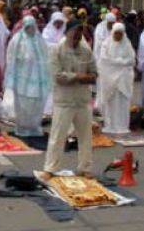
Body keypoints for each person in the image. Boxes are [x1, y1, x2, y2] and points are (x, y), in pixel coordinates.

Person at [35, 22, 97, 183]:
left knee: (85, 136)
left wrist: (79, 77)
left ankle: (85, 168)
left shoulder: (86, 51)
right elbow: (58, 77)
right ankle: (50, 168)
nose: (76, 38)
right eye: (74, 34)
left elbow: (94, 74)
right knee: (58, 136)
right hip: (64, 101)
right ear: (67, 33)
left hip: (82, 100)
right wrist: (78, 77)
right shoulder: (57, 50)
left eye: (79, 35)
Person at [4, 16, 51, 137]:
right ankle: (23, 127)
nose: (30, 30)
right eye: (28, 27)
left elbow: (46, 57)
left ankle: (34, 126)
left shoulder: (39, 40)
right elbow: (11, 58)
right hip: (22, 78)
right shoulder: (17, 40)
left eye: (32, 27)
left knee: (36, 103)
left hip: (38, 79)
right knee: (23, 104)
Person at [98, 23, 136, 134]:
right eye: (116, 33)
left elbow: (131, 60)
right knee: (111, 102)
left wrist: (117, 62)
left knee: (122, 103)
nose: (118, 36)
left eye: (120, 34)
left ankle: (122, 125)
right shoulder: (106, 44)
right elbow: (104, 60)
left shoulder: (127, 45)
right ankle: (110, 125)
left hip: (123, 79)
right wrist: (120, 62)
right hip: (109, 79)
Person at [93, 13, 116, 109]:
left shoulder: (114, 29)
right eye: (110, 23)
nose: (111, 25)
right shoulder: (99, 29)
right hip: (101, 59)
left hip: (111, 60)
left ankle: (108, 103)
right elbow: (100, 42)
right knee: (101, 82)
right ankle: (99, 104)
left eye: (112, 23)